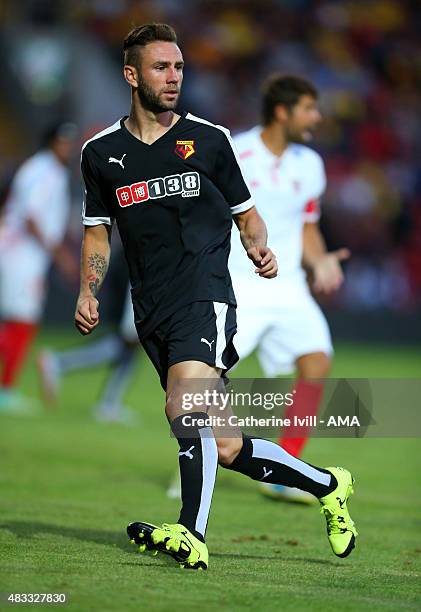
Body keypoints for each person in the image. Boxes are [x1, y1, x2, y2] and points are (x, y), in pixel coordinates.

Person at [75, 23, 357, 570]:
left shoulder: (209, 140)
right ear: (132, 75)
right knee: (224, 444)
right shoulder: (100, 153)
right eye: (161, 67)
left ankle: (190, 532)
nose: (174, 76)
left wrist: (260, 249)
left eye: (179, 66)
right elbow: (95, 231)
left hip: (206, 296)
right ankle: (328, 484)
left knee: (186, 405)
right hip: (150, 304)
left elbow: (246, 215)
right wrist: (88, 289)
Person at [229, 75, 350, 503]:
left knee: (316, 361)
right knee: (207, 375)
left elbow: (307, 227)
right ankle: (199, 452)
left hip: (290, 287)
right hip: (240, 281)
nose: (316, 118)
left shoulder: (310, 164)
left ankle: (283, 472)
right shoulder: (236, 152)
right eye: (309, 109)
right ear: (282, 112)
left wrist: (318, 261)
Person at [0, 122, 77, 411]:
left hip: (20, 252)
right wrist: (61, 256)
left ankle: (6, 389)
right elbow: (32, 218)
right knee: (22, 321)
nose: (68, 148)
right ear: (51, 142)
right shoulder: (45, 172)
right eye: (63, 141)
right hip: (21, 253)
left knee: (16, 322)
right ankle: (5, 391)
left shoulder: (41, 169)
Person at [38, 284, 139, 423]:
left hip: (148, 284)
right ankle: (59, 362)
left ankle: (110, 403)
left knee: (129, 346)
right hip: (145, 283)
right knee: (127, 342)